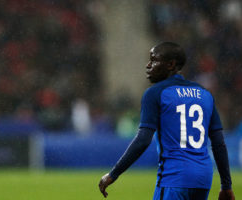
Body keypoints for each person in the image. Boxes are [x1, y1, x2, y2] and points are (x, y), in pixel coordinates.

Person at [98, 42, 235, 200]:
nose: (148, 65)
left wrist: (113, 174)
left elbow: (143, 140)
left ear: (171, 64)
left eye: (154, 60)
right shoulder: (205, 94)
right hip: (202, 179)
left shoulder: (155, 93)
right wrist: (226, 185)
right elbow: (218, 142)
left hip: (174, 177)